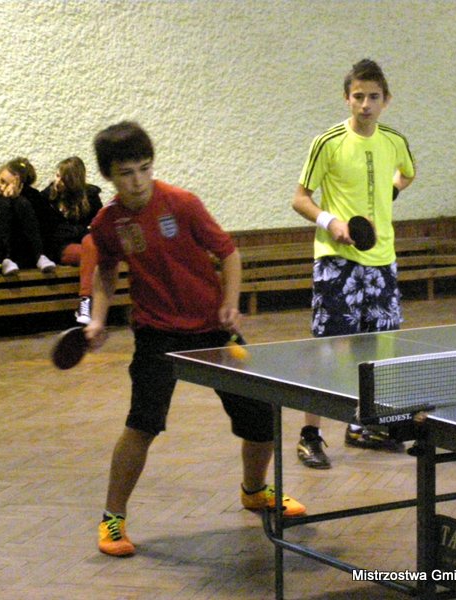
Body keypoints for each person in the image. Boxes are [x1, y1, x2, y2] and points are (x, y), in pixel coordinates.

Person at [85, 121, 305, 557]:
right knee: (142, 424)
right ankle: (112, 518)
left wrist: (230, 302)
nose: (138, 181)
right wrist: (97, 319)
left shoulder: (182, 204)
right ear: (109, 175)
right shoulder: (108, 222)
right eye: (126, 173)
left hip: (213, 330)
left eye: (145, 168)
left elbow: (229, 253)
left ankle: (254, 490)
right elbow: (106, 271)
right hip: (156, 335)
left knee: (261, 416)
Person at [291, 59, 416, 469]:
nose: (365, 104)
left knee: (377, 350)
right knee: (329, 349)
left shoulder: (395, 141)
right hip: (337, 260)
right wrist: (331, 222)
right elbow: (300, 199)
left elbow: (407, 175)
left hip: (382, 261)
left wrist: (388, 194)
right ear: (347, 98)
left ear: (386, 101)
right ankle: (310, 435)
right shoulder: (327, 142)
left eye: (373, 97)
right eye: (358, 96)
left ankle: (362, 425)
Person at [39, 157, 103, 324]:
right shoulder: (47, 198)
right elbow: (51, 233)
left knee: (91, 241)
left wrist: (76, 231)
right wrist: (81, 230)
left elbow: (99, 227)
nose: (57, 181)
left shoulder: (90, 197)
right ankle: (86, 302)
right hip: (61, 249)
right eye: (57, 175)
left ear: (74, 181)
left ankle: (85, 300)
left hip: (87, 246)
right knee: (91, 249)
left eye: (63, 179)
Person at [0, 158, 56, 275]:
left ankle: (39, 256)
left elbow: (45, 224)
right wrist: (5, 199)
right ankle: (5, 258)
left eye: (7, 184)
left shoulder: (31, 197)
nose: (2, 187)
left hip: (22, 252)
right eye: (1, 181)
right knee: (4, 203)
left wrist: (15, 199)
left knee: (21, 202)